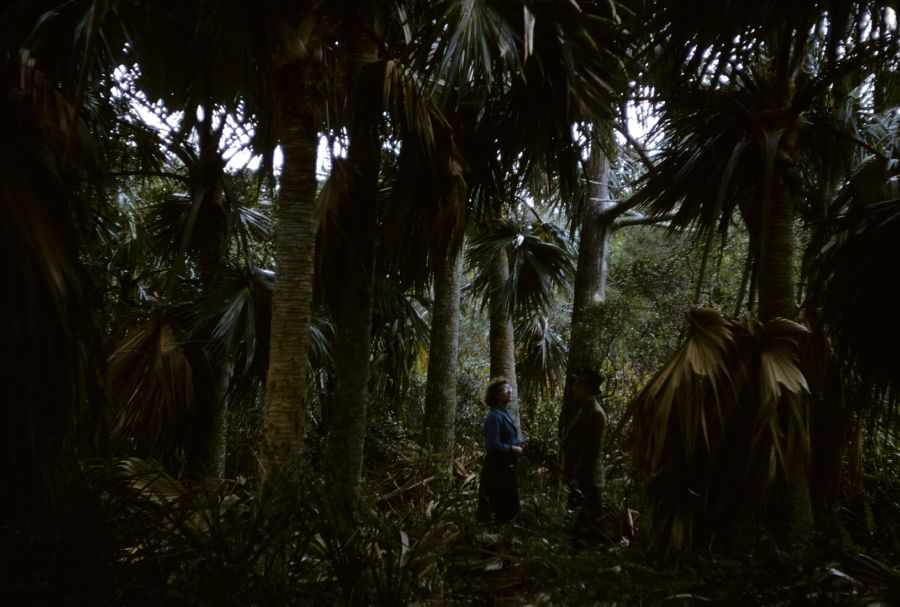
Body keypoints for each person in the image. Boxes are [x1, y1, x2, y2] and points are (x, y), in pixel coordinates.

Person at [560, 369, 608, 541]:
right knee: (577, 526)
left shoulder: (595, 414)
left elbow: (591, 452)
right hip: (579, 478)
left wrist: (576, 475)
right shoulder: (584, 410)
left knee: (594, 527)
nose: (574, 387)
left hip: (587, 479)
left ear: (588, 388)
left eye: (578, 384)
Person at [476, 377, 523, 524]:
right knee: (498, 509)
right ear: (496, 394)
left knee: (508, 509)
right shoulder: (494, 416)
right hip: (496, 469)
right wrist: (512, 448)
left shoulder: (504, 413)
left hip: (506, 467)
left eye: (511, 390)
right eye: (505, 390)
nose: (510, 392)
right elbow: (492, 445)